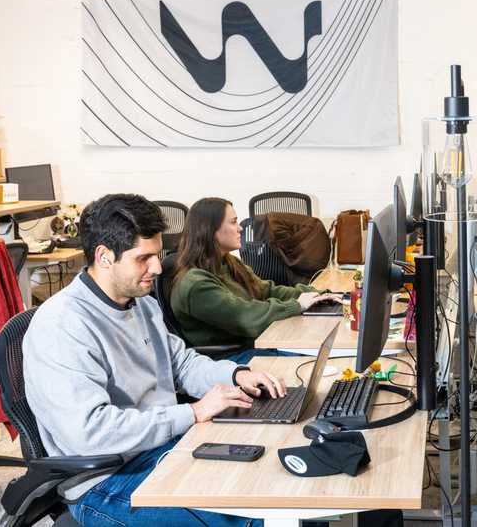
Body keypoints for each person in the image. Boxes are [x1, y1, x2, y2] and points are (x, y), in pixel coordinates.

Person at [24, 194, 287, 527]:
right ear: (105, 257)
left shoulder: (141, 302)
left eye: (157, 255)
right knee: (248, 519)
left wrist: (237, 375)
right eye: (143, 258)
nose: (158, 268)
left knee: (271, 479)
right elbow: (91, 434)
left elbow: (181, 364)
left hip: (166, 445)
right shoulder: (63, 326)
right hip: (107, 481)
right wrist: (191, 412)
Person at [170, 197, 342, 363]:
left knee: (325, 352)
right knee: (321, 359)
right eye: (233, 222)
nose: (240, 228)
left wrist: (318, 295)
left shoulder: (228, 262)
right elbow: (246, 317)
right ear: (211, 230)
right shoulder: (196, 285)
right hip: (228, 360)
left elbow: (266, 289)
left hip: (256, 345)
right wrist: (297, 305)